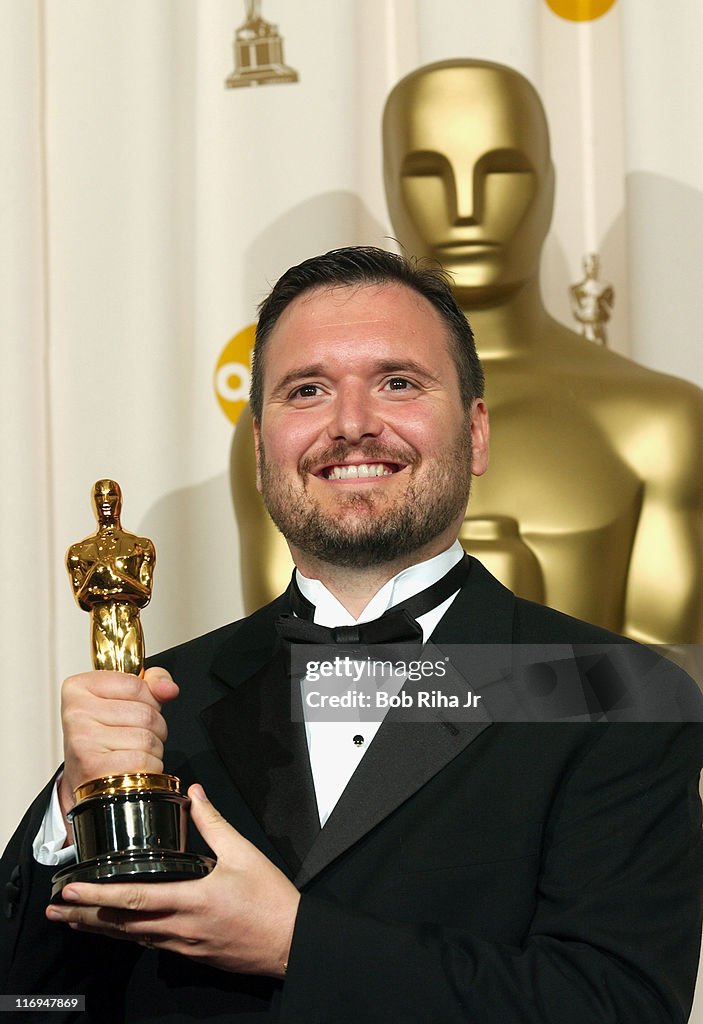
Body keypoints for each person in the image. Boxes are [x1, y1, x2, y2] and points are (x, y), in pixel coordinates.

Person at [1, 247, 701, 1023]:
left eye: (398, 382)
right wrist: (73, 812)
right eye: (307, 391)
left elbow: (619, 1007)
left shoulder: (613, 689)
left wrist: (295, 942)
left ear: (474, 433)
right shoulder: (164, 698)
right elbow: (34, 1003)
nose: (353, 425)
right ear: (262, 450)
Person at [232, 60, 703, 644]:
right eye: (427, 173)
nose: (465, 206)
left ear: (550, 185)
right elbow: (287, 670)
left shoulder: (661, 422)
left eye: (502, 170)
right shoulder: (290, 432)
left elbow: (664, 691)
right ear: (389, 186)